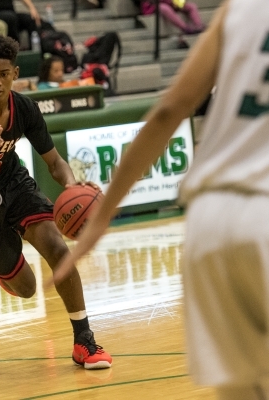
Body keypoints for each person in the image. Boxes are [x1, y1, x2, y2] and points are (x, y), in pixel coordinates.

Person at [50, 1, 269, 396]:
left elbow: (169, 109)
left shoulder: (241, 9)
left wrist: (101, 218)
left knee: (242, 390)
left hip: (210, 220)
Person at [0, 34, 112, 370]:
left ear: (15, 73)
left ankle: (84, 341)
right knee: (27, 288)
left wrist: (72, 186)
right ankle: (7, 268)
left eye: (3, 74)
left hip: (13, 183)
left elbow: (55, 162)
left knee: (58, 250)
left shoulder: (23, 107)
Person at [139, 0, 205, 35]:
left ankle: (198, 26)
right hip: (152, 6)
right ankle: (185, 28)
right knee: (164, 8)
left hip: (170, 3)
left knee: (191, 6)